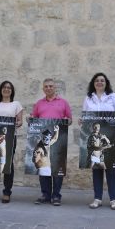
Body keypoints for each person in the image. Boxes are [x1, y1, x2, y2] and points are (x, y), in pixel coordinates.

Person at [81, 72, 115, 210]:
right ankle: (97, 198)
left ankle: (113, 200)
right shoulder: (88, 98)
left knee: (111, 169)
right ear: (93, 83)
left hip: (111, 136)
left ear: (106, 83)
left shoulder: (113, 96)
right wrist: (81, 121)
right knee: (97, 169)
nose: (99, 82)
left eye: (102, 80)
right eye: (97, 80)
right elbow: (85, 117)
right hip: (95, 141)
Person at [30, 78, 72, 206]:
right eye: (46, 86)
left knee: (57, 169)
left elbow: (70, 120)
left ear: (55, 88)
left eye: (51, 86)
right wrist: (31, 119)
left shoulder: (63, 103)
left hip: (58, 141)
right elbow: (34, 119)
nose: (48, 88)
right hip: (44, 142)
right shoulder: (39, 103)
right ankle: (45, 195)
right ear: (43, 89)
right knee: (44, 168)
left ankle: (56, 196)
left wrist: (66, 121)